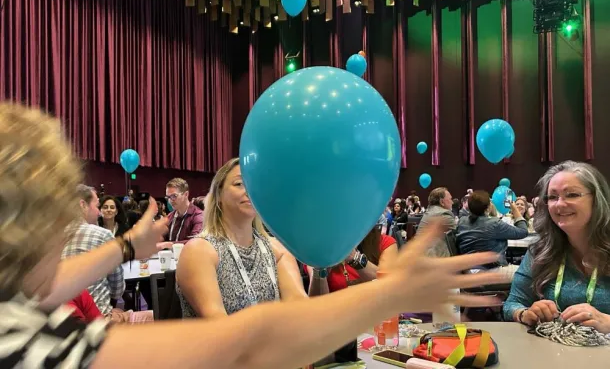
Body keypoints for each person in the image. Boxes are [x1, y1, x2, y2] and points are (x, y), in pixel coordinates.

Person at [0, 103, 506, 368]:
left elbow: (42, 285)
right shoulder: (17, 341)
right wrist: (394, 291)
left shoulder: (13, 305)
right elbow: (235, 345)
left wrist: (128, 246)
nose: (71, 235)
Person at [176, 158, 307, 318]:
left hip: (275, 341)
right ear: (218, 195)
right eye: (239, 184)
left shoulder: (277, 249)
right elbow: (218, 323)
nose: (250, 190)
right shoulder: (199, 251)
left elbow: (300, 308)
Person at [504, 161, 610, 333]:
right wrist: (526, 313)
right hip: (555, 354)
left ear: (597, 199)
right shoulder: (541, 251)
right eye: (553, 197)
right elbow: (512, 304)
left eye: (572, 195)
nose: (560, 204)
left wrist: (607, 321)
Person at [63, 185, 126, 316]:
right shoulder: (103, 235)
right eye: (97, 206)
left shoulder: (53, 238)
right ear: (83, 205)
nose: (99, 212)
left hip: (64, 319)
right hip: (98, 319)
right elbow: (118, 290)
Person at [456, 190, 529, 279]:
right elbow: (523, 231)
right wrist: (514, 208)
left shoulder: (461, 221)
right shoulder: (494, 223)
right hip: (489, 271)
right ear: (488, 207)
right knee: (529, 274)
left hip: (467, 271)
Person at [307, 224, 397, 295]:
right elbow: (319, 303)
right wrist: (320, 268)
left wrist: (354, 258)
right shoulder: (317, 249)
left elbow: (391, 287)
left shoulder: (384, 242)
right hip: (339, 315)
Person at [417, 187, 456, 257]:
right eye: (450, 199)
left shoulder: (430, 211)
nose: (452, 202)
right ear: (442, 202)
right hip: (431, 261)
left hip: (420, 257)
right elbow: (462, 233)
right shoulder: (444, 214)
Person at [164, 178, 204, 243]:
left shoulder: (198, 216)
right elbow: (161, 238)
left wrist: (168, 245)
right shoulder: (170, 216)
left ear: (186, 194)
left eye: (174, 196)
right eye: (168, 197)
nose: (170, 200)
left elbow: (196, 242)